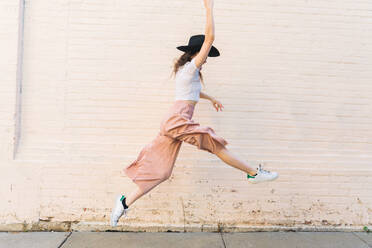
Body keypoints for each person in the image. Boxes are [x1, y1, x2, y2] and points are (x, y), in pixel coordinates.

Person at [110, 0, 278, 227]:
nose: (207, 58)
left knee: (162, 172)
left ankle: (124, 203)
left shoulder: (189, 74)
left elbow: (193, 95)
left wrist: (211, 99)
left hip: (175, 120)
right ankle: (252, 173)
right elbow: (210, 38)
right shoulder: (191, 68)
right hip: (177, 119)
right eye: (205, 54)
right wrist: (209, 8)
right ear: (197, 53)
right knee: (214, 143)